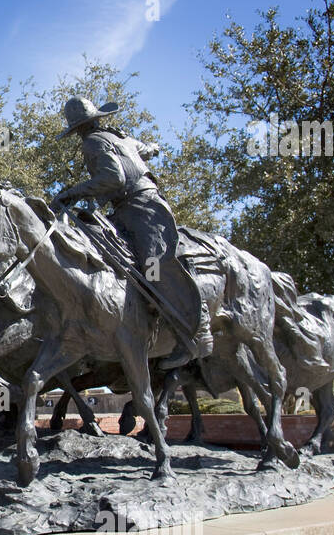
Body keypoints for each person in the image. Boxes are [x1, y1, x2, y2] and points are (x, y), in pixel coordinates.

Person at [51, 96, 213, 370]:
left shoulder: (93, 143)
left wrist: (71, 193)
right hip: (128, 207)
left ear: (77, 128)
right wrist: (148, 149)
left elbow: (114, 179)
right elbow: (147, 150)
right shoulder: (119, 137)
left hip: (141, 207)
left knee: (156, 263)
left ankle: (199, 330)